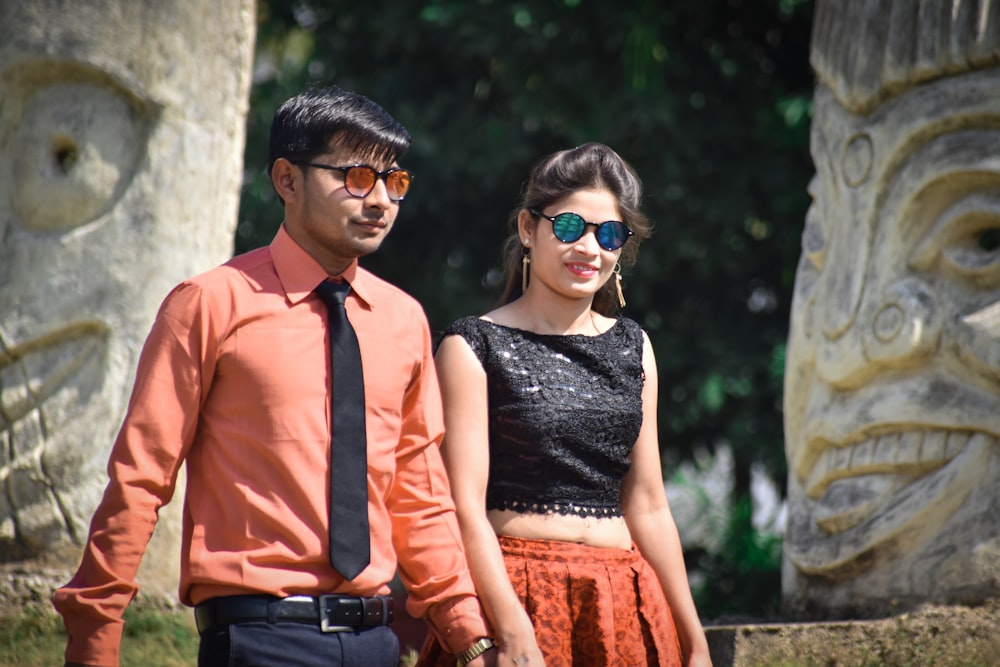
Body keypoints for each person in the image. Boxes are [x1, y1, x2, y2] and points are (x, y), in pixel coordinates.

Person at [52, 85, 499, 667]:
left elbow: (418, 495)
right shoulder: (209, 303)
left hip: (378, 643)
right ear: (287, 179)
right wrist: (94, 639)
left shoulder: (403, 319)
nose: (382, 200)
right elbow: (141, 477)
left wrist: (470, 635)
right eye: (359, 178)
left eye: (395, 182)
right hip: (259, 638)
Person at [416, 143, 713, 667]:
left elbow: (647, 504)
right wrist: (509, 628)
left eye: (610, 235)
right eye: (571, 227)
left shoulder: (634, 345)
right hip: (518, 595)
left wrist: (694, 640)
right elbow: (464, 508)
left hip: (623, 602)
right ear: (529, 229)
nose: (590, 249)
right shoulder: (471, 345)